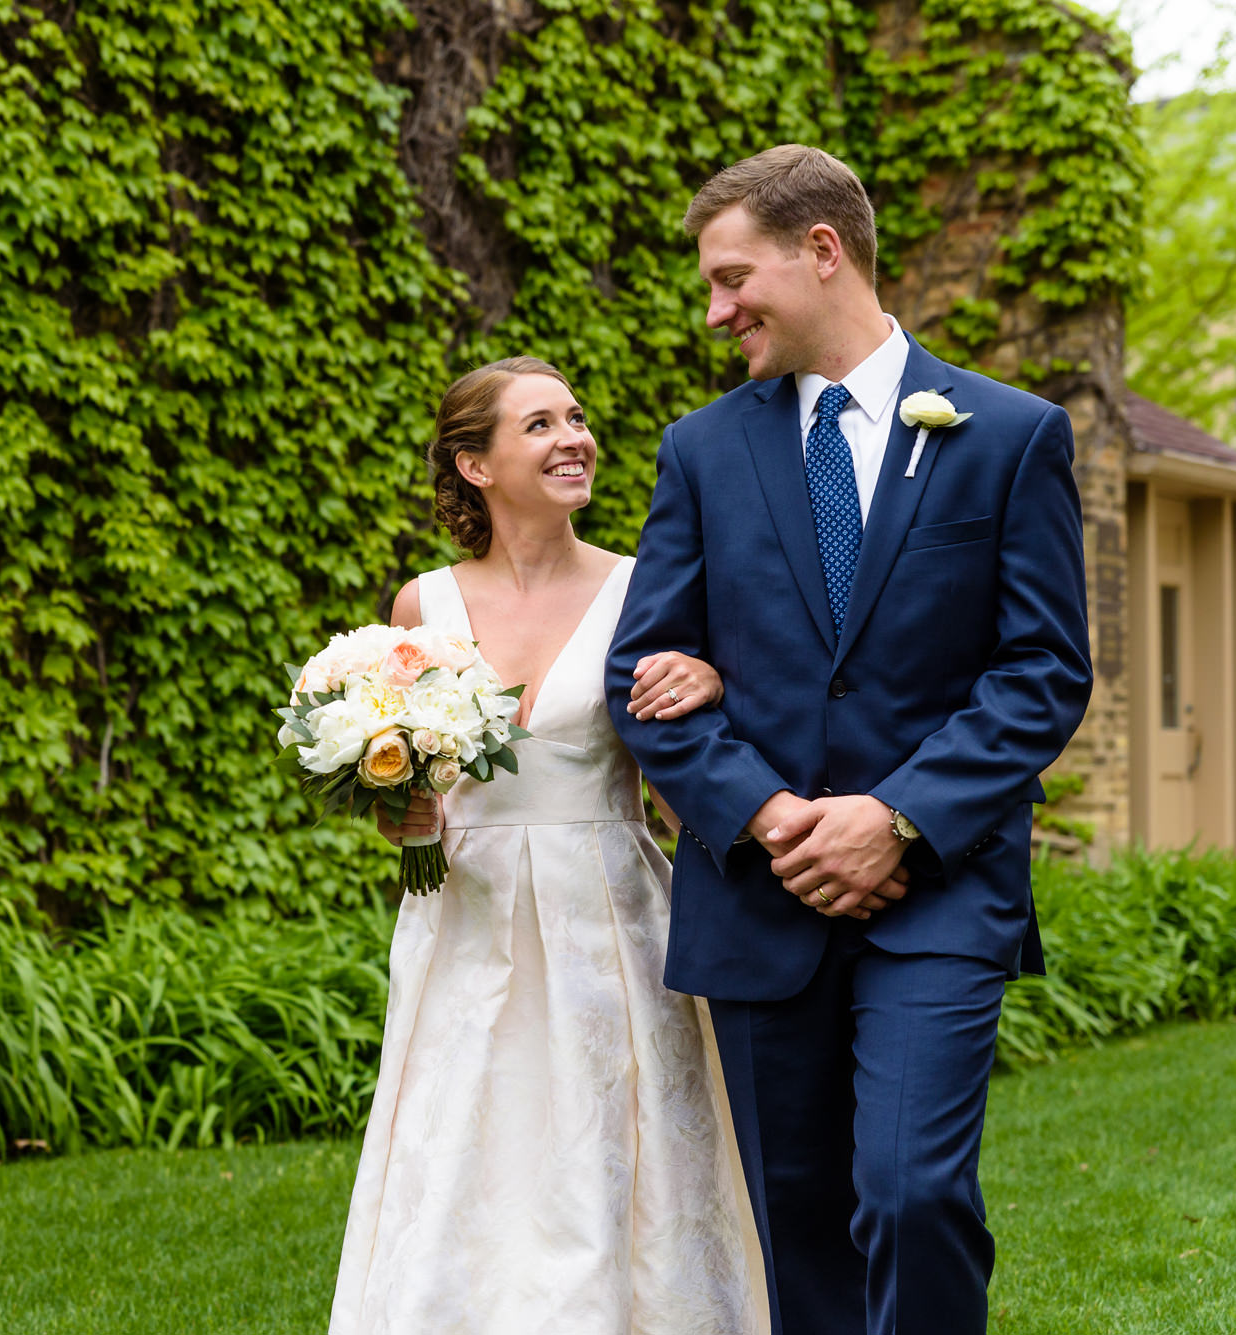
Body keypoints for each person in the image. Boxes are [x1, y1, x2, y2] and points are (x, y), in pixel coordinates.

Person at [604, 145, 1092, 1335]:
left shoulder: (1008, 435)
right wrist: (774, 820)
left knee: (911, 1192)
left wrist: (896, 819)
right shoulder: (699, 451)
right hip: (758, 897)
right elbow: (643, 676)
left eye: (730, 279)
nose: (713, 312)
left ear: (820, 251)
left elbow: (1042, 671)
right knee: (796, 1218)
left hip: (935, 893)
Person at [329, 356, 767, 1335]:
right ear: (473, 464)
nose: (573, 438)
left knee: (599, 1153)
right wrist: (398, 812)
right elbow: (401, 782)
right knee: (463, 1160)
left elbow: (686, 766)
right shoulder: (419, 608)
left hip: (604, 918)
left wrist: (708, 682)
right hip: (464, 925)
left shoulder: (644, 589)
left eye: (574, 418)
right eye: (539, 425)